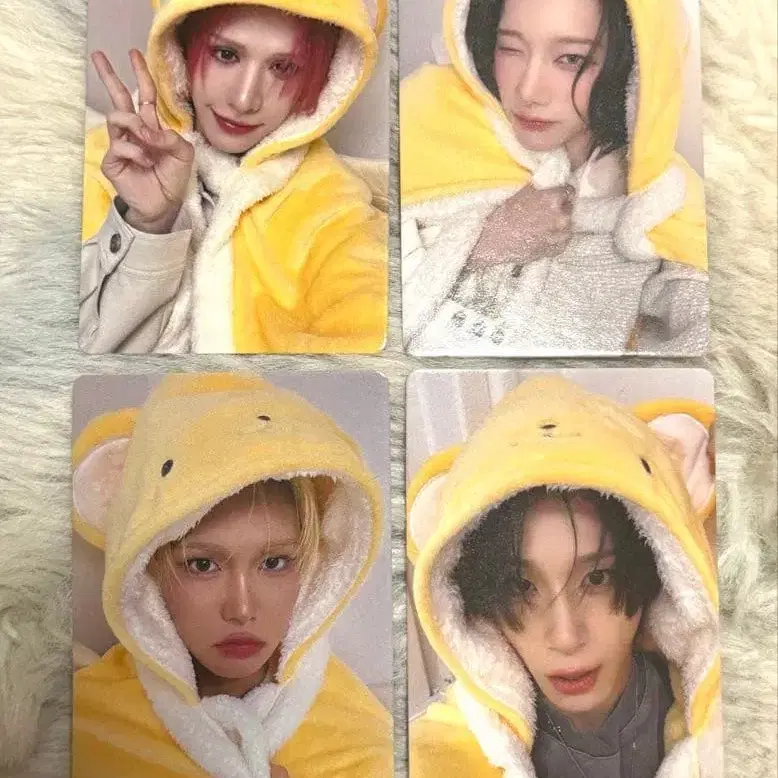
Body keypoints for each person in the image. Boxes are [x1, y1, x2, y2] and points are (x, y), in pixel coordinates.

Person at [71, 373, 392, 778]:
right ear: (148, 570)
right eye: (202, 565)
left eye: (274, 563)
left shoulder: (364, 734)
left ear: (312, 571)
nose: (241, 609)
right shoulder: (86, 725)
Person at [407, 375, 720, 777]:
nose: (566, 637)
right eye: (522, 587)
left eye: (597, 579)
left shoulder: (725, 712)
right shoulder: (448, 750)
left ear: (657, 565)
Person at [401, 0, 708, 356]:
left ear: (633, 64)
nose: (529, 91)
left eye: (571, 59)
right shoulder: (426, 121)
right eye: (510, 48)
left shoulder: (662, 198)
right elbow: (376, 293)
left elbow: (716, 334)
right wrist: (486, 239)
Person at [80, 0, 387, 354]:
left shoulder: (334, 205)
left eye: (282, 67)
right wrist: (147, 226)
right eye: (226, 54)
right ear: (180, 47)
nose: (244, 99)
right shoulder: (102, 163)